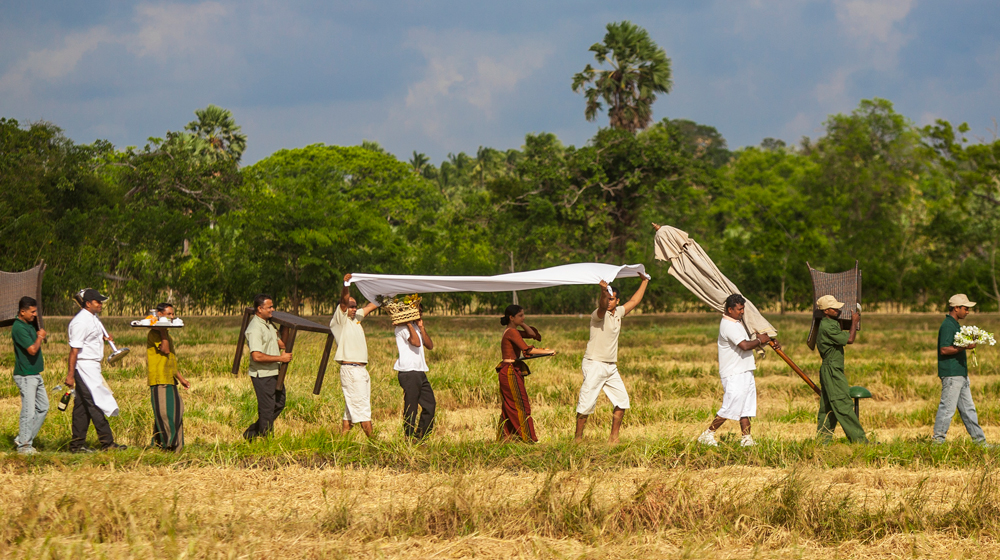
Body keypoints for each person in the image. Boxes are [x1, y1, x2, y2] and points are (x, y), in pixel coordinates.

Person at [574, 274, 650, 444]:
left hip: (610, 366)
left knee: (622, 402)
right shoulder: (598, 314)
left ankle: (613, 438)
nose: (609, 302)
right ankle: (577, 439)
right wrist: (603, 291)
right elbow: (601, 305)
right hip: (594, 364)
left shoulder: (619, 312)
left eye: (612, 299)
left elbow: (635, 301)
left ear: (617, 300)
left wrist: (645, 281)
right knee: (586, 404)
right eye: (607, 299)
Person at [697, 294, 774, 447]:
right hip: (733, 372)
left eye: (743, 308)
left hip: (745, 369)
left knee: (746, 406)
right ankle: (707, 434)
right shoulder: (728, 325)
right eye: (739, 309)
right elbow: (744, 346)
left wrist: (765, 338)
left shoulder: (737, 322)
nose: (742, 312)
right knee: (731, 405)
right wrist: (760, 340)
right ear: (730, 309)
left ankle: (746, 439)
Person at [65, 288, 126, 452]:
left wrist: (103, 338)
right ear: (88, 303)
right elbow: (74, 351)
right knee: (95, 404)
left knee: (82, 408)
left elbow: (90, 340)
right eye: (97, 301)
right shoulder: (80, 322)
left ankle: (76, 445)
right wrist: (70, 375)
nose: (101, 304)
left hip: (93, 367)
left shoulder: (93, 318)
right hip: (84, 368)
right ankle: (108, 443)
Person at [932, 294, 987, 445]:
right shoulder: (948, 325)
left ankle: (980, 443)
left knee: (969, 410)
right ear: (956, 308)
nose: (967, 311)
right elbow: (944, 349)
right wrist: (965, 346)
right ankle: (937, 442)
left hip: (960, 374)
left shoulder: (955, 324)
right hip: (952, 374)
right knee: (947, 409)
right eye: (965, 308)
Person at [330, 274, 379, 438]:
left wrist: (388, 293)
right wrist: (346, 284)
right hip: (351, 370)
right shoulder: (339, 319)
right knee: (362, 408)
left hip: (360, 370)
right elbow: (344, 300)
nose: (353, 308)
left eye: (355, 306)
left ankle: (342, 442)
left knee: (350, 410)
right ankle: (373, 443)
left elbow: (372, 305)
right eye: (350, 306)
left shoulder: (356, 318)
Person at [497, 305, 554, 443]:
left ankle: (508, 437)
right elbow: (527, 350)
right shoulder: (512, 332)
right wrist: (548, 352)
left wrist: (521, 322)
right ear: (511, 318)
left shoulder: (513, 330)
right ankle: (528, 438)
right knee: (521, 406)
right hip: (509, 371)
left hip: (511, 370)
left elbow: (532, 335)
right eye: (520, 315)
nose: (524, 318)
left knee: (510, 405)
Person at [814, 294, 868, 443]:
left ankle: (822, 442)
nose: (838, 310)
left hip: (830, 369)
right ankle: (860, 442)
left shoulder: (831, 323)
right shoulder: (828, 326)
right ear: (825, 311)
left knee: (828, 407)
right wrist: (854, 322)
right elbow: (849, 339)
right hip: (832, 370)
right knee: (843, 403)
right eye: (834, 308)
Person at [242, 294, 293, 440]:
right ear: (259, 309)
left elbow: (282, 344)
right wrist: (281, 358)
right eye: (269, 307)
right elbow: (256, 356)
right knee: (267, 408)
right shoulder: (255, 328)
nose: (273, 309)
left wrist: (286, 326)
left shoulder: (269, 324)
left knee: (279, 403)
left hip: (274, 372)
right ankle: (267, 441)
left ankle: (251, 433)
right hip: (262, 374)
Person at [146, 303, 190, 452]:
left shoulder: (166, 334)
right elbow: (165, 350)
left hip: (169, 379)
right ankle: (167, 445)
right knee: (166, 413)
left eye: (172, 314)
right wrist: (163, 330)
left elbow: (170, 360)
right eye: (168, 314)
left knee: (176, 410)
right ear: (159, 314)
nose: (172, 317)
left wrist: (181, 378)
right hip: (159, 379)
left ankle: (169, 446)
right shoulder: (155, 334)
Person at [11, 296, 48, 455]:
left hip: (34, 373)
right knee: (28, 411)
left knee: (43, 407)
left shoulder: (29, 324)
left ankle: (23, 438)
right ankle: (24, 447)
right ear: (22, 312)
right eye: (32, 312)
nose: (35, 314)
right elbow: (32, 350)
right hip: (26, 375)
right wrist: (40, 336)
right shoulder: (18, 328)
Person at [393, 304, 435, 441]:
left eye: (421, 312)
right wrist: (409, 324)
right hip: (408, 372)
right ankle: (408, 437)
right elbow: (416, 343)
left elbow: (429, 345)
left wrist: (421, 327)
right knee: (411, 407)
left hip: (419, 371)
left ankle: (420, 436)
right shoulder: (401, 328)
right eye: (417, 312)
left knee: (430, 405)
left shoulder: (417, 327)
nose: (420, 314)